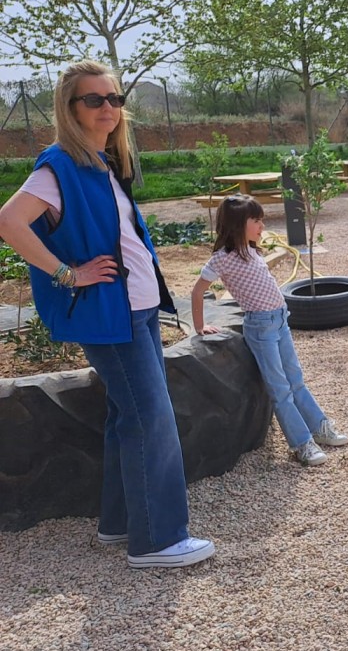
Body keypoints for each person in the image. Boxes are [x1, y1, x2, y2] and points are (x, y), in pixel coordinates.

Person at [0, 60, 214, 568]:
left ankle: (120, 523)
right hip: (109, 315)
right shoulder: (60, 167)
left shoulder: (102, 164)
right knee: (152, 419)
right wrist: (67, 273)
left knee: (128, 417)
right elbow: (9, 222)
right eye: (93, 100)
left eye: (114, 99)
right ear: (69, 107)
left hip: (134, 310)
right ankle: (158, 539)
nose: (108, 109)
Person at [191, 195, 348, 466]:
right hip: (261, 327)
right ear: (237, 224)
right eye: (256, 220)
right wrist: (199, 326)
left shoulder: (253, 250)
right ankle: (302, 444)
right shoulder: (222, 259)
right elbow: (197, 291)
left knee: (295, 378)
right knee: (280, 388)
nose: (262, 225)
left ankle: (319, 427)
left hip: (280, 321)